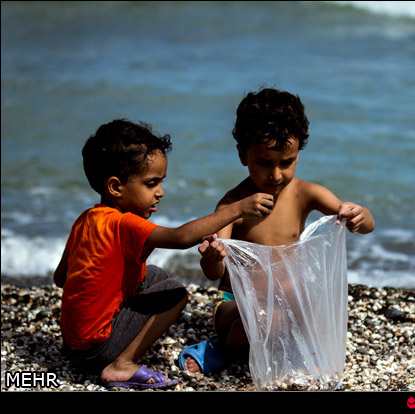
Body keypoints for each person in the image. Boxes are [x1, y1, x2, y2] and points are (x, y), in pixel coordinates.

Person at [53, 119, 274, 389]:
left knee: (154, 275)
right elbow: (180, 237)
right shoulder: (124, 223)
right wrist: (236, 210)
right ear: (115, 187)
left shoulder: (85, 219)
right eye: (151, 183)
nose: (160, 192)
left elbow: (60, 277)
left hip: (73, 344)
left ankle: (105, 350)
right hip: (98, 350)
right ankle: (122, 365)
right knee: (175, 293)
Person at [178, 88, 375, 376]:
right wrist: (212, 256)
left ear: (298, 154)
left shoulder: (305, 193)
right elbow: (212, 271)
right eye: (264, 163)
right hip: (238, 308)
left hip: (288, 300)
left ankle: (289, 346)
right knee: (269, 320)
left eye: (287, 162)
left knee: (307, 293)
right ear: (242, 155)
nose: (276, 175)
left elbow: (364, 224)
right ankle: (221, 347)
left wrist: (360, 215)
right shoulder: (234, 204)